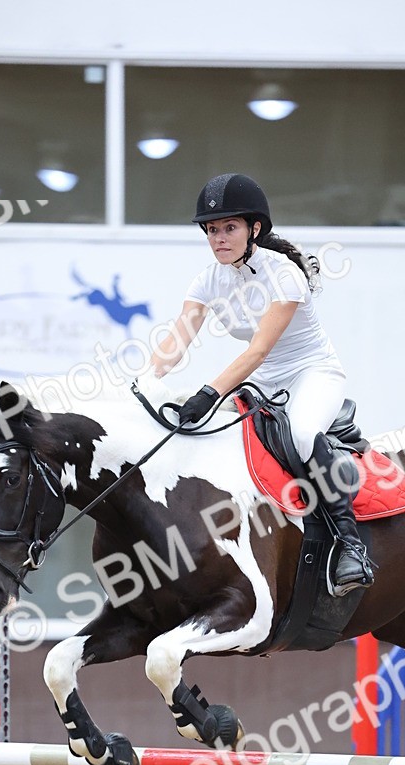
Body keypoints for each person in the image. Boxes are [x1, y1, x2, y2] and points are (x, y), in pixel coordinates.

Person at [146, 172, 374, 598]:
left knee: (303, 434)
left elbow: (258, 352)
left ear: (254, 229)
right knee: (209, 438)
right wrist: (144, 382)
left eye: (229, 228)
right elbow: (177, 339)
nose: (219, 238)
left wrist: (209, 393)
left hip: (311, 374)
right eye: (212, 230)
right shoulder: (207, 281)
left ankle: (350, 545)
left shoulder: (284, 274)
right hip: (262, 383)